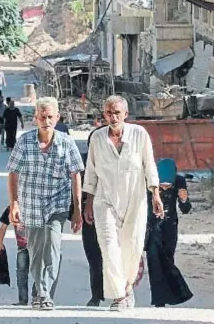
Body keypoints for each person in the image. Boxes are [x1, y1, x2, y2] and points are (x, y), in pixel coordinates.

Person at [83, 95, 164, 312]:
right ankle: (118, 296)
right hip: (104, 201)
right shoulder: (97, 138)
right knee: (109, 247)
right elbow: (91, 172)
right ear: (104, 114)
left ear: (125, 114)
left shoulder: (139, 134)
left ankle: (127, 287)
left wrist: (155, 194)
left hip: (134, 201)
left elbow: (149, 165)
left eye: (117, 112)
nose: (113, 116)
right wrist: (88, 203)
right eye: (109, 112)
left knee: (132, 246)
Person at [7, 97, 84, 311]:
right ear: (35, 118)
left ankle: (44, 293)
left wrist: (77, 210)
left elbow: (75, 175)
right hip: (30, 204)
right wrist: (14, 204)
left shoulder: (66, 143)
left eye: (50, 117)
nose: (46, 121)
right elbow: (13, 172)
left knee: (52, 246)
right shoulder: (25, 142)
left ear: (57, 118)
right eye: (42, 117)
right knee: (36, 251)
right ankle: (40, 289)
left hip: (57, 205)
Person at [145, 159, 193, 308]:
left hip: (170, 227)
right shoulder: (148, 182)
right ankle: (159, 299)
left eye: (168, 186)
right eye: (162, 186)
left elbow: (185, 209)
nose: (165, 189)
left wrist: (184, 200)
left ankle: (174, 295)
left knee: (168, 260)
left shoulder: (179, 181)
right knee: (153, 261)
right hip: (151, 227)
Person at [80, 121, 107, 307]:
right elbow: (73, 190)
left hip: (111, 215)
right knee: (94, 258)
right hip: (88, 217)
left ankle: (118, 292)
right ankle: (96, 294)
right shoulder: (81, 164)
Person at [0, 206, 37, 306]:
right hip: (22, 246)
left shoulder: (35, 204)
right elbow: (3, 228)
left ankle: (36, 296)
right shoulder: (12, 208)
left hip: (37, 246)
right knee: (21, 273)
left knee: (38, 272)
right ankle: (23, 300)